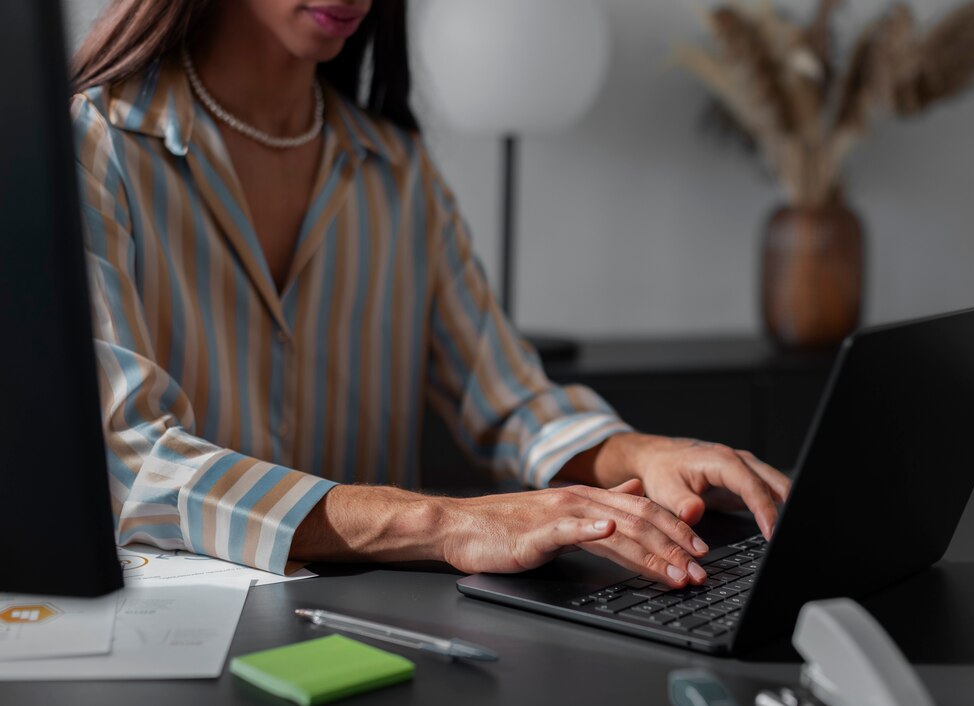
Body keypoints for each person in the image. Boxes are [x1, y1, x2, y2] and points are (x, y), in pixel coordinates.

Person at [71, 0, 790, 588]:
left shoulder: (397, 172)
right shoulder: (94, 145)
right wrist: (446, 523)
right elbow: (132, 459)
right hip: (169, 644)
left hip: (371, 632)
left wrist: (645, 455)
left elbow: (510, 401)